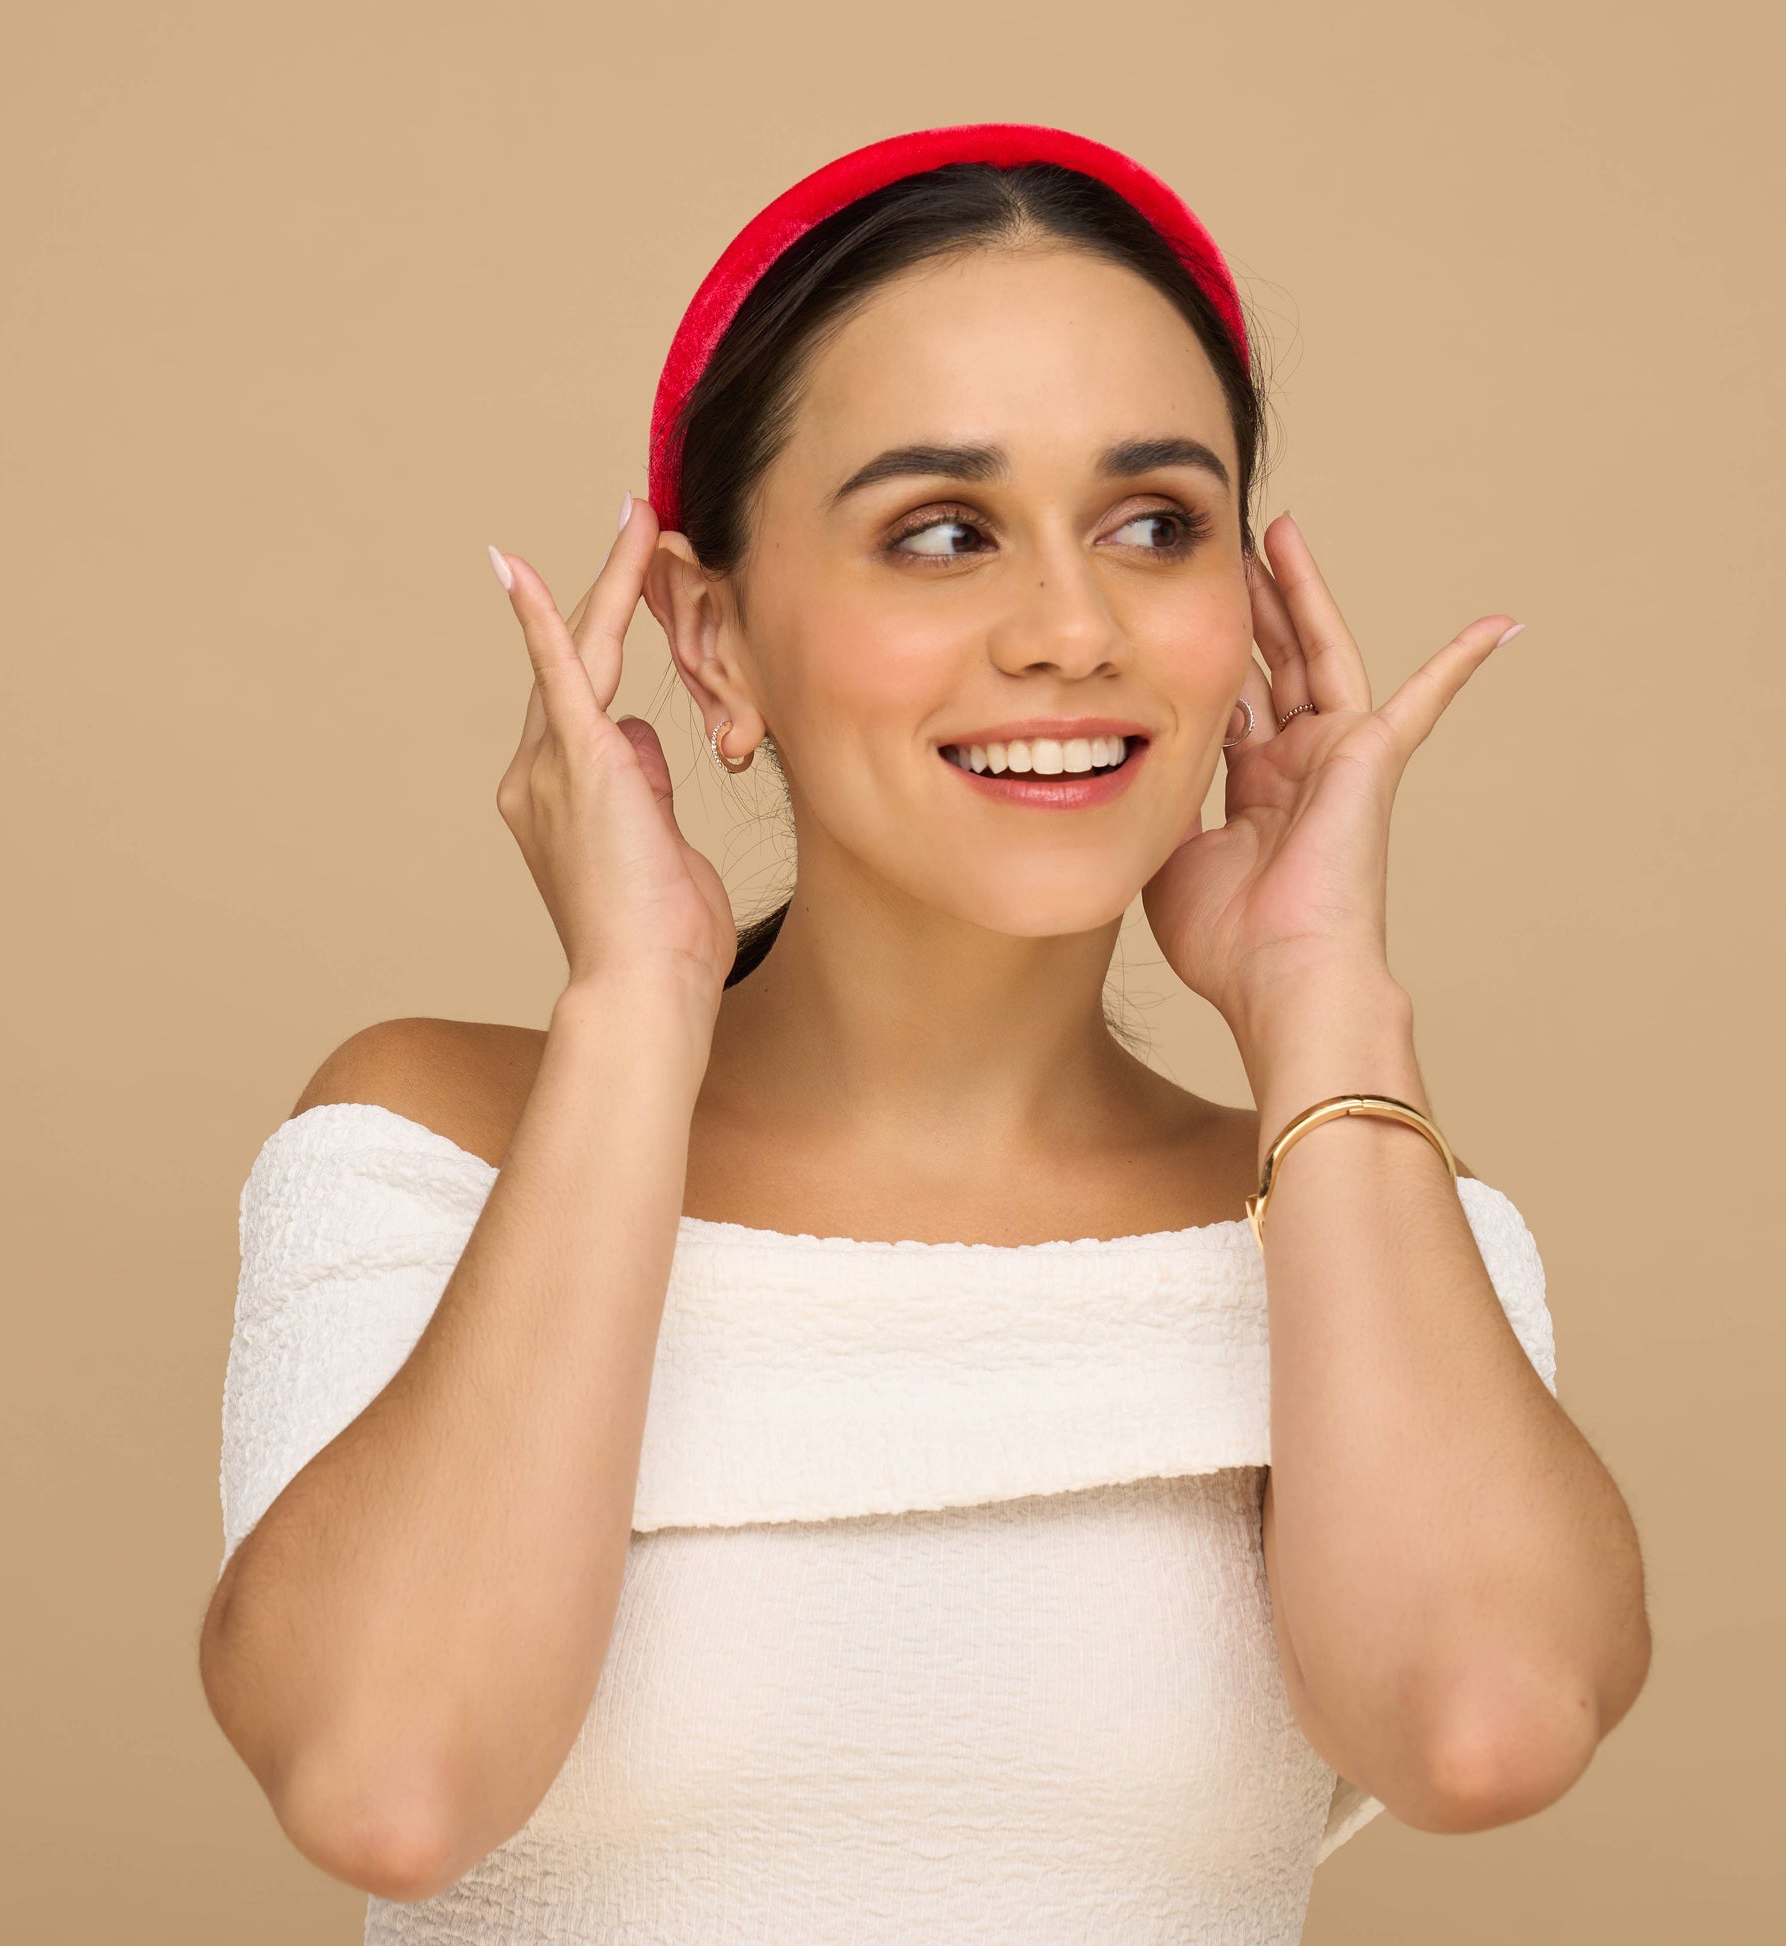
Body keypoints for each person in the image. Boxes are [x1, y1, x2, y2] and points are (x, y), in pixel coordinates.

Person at [199, 123, 1651, 1942]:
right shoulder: (431, 1141)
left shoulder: (1362, 1203)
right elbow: (385, 1780)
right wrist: (634, 1012)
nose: (1072, 628)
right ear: (712, 643)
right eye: (942, 533)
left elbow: (1481, 1727)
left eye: (1154, 523)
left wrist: (1323, 995)